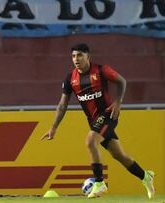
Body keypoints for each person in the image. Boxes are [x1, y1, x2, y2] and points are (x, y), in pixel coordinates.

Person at [40, 43, 155, 199]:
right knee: (119, 155)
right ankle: (145, 176)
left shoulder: (101, 70)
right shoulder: (70, 79)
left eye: (80, 55)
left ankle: (99, 183)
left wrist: (118, 102)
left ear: (88, 56)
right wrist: (53, 127)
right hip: (94, 121)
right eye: (73, 56)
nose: (76, 59)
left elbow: (122, 81)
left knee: (90, 141)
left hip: (108, 115)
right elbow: (62, 104)